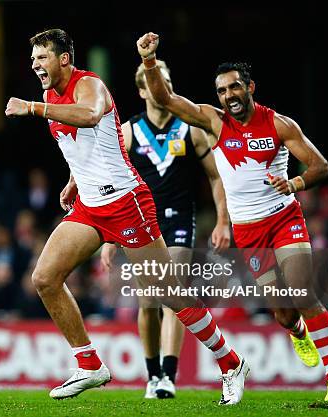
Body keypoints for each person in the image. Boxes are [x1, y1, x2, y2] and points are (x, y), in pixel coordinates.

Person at [5, 28, 248, 405]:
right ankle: (88, 364)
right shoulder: (49, 93)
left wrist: (34, 108)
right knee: (44, 277)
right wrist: (73, 180)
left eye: (42, 57)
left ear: (63, 58)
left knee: (168, 293)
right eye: (33, 58)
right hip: (89, 206)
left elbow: (88, 117)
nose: (35, 64)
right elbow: (88, 142)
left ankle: (230, 363)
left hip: (125, 202)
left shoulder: (91, 86)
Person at [136, 32, 328, 401]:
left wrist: (294, 181)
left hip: (284, 220)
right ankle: (298, 331)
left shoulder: (279, 124)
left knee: (302, 290)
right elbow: (164, 98)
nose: (229, 96)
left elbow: (321, 166)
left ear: (250, 87)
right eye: (222, 91)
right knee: (283, 314)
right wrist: (150, 61)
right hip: (248, 232)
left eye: (235, 87)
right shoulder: (215, 123)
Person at [100, 60, 230, 399]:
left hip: (179, 221)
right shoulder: (129, 132)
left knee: (174, 294)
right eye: (154, 82)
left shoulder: (191, 129)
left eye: (167, 80)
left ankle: (168, 377)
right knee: (147, 302)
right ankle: (152, 374)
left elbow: (216, 177)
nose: (162, 87)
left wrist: (222, 220)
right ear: (143, 90)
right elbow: (112, 185)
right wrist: (110, 236)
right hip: (141, 225)